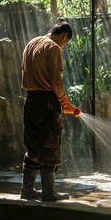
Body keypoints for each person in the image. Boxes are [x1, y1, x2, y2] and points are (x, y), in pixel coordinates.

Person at [20, 22, 81, 202]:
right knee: (50, 146)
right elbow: (56, 82)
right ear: (64, 36)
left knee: (33, 147)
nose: (64, 46)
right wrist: (66, 103)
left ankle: (27, 190)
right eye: (66, 42)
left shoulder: (31, 43)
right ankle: (49, 192)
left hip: (30, 101)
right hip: (47, 102)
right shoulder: (53, 48)